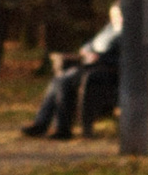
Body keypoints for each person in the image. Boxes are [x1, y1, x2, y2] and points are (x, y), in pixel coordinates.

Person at [20, 8, 121, 141]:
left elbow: (127, 61)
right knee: (60, 79)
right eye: (112, 15)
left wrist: (100, 58)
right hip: (90, 69)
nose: (114, 18)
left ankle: (60, 128)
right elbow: (90, 44)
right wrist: (86, 51)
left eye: (117, 15)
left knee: (63, 80)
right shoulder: (109, 29)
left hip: (107, 74)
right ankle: (44, 123)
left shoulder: (129, 34)